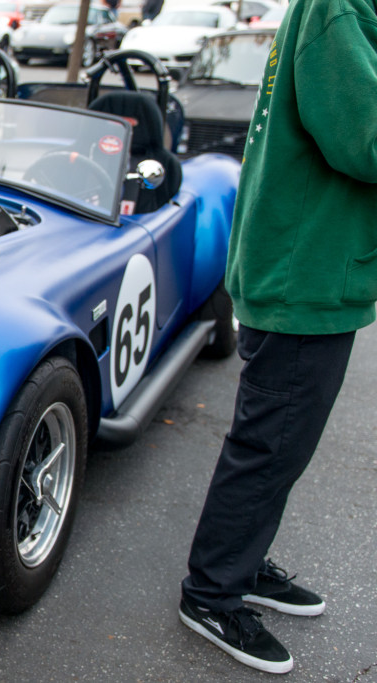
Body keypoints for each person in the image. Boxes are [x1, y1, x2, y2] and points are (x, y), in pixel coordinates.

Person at [178, 0, 377, 674]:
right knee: (270, 443)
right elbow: (367, 140)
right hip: (304, 270)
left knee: (279, 442)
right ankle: (211, 591)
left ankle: (240, 560)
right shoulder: (338, 8)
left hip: (307, 263)